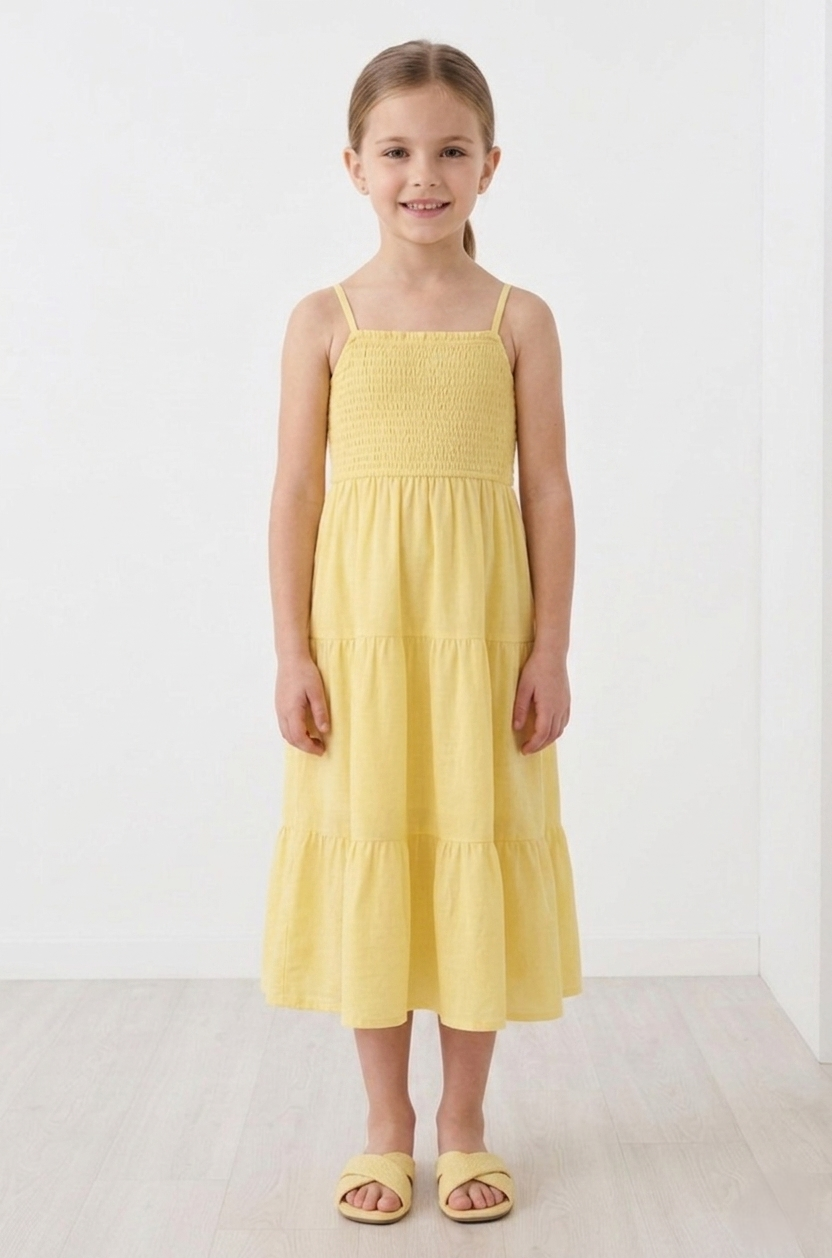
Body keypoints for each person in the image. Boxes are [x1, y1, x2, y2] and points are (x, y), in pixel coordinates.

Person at [260, 37, 583, 1225]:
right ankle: (385, 1125)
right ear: (354, 164)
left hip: (479, 644)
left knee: (469, 851)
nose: (422, 176)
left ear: (489, 165)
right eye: (395, 152)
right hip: (362, 646)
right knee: (379, 856)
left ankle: (465, 1125)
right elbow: (297, 491)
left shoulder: (518, 318)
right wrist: (292, 651)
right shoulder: (323, 319)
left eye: (450, 151)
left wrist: (549, 647)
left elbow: (546, 489)